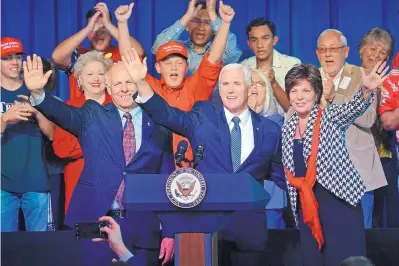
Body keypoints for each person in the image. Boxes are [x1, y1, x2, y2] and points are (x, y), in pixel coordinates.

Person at [122, 46, 285, 266]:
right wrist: (142, 83)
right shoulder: (204, 116)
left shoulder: (270, 130)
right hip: (205, 231)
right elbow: (166, 115)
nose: (230, 90)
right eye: (225, 84)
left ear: (249, 88)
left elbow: (281, 177)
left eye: (236, 84)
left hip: (248, 233)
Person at [24, 52, 175, 266]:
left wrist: (169, 231)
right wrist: (39, 94)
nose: (123, 88)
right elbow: (63, 113)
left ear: (139, 84)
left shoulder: (159, 123)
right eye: (117, 83)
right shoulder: (92, 115)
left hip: (143, 227)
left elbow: (166, 180)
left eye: (129, 82)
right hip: (95, 222)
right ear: (109, 88)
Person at [282, 62, 389, 266]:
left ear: (316, 93)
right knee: (313, 260)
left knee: (342, 259)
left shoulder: (329, 117)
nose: (299, 96)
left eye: (306, 90)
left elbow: (352, 109)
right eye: (294, 90)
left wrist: (365, 90)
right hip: (308, 206)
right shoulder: (287, 127)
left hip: (338, 203)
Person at [117, 2, 233, 166]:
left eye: (179, 63)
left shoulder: (197, 85)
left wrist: (225, 23)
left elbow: (214, 57)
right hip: (156, 170)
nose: (173, 67)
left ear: (187, 67)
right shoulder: (150, 87)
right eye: (167, 62)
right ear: (157, 67)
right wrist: (122, 24)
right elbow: (128, 60)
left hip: (194, 169)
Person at [316, 29, 387, 228]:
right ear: (317, 54)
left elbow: (369, 118)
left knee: (359, 237)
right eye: (323, 50)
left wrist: (333, 98)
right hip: (322, 174)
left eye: (333, 49)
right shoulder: (309, 78)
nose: (328, 54)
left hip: (358, 171)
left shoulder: (362, 76)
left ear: (346, 51)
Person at [1, 37, 55, 232]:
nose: (14, 62)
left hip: (36, 181)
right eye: (7, 58)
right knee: (4, 248)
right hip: (3, 184)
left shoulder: (35, 90)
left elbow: (52, 135)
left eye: (17, 56)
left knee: (40, 247)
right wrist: (4, 118)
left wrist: (37, 112)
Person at [52, 51, 113, 214]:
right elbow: (62, 149)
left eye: (101, 73)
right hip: (79, 182)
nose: (96, 78)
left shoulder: (119, 105)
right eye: (90, 74)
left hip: (114, 185)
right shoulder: (69, 108)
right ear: (79, 79)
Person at [52, 2, 144, 100]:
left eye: (103, 28)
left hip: (116, 113)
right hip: (81, 112)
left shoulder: (122, 52)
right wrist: (89, 28)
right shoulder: (79, 55)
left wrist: (108, 24)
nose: (99, 33)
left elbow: (139, 52)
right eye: (94, 29)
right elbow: (57, 57)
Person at [358, 27, 398, 228]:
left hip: (384, 152)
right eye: (372, 49)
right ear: (361, 51)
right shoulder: (349, 77)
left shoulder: (392, 83)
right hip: (356, 156)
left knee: (384, 213)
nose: (375, 56)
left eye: (382, 53)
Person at [151, 0, 241, 75]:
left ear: (213, 28)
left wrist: (212, 13)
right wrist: (187, 17)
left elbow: (232, 52)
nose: (201, 27)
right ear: (186, 25)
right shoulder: (177, 48)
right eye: (195, 21)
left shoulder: (222, 51)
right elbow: (158, 48)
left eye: (207, 22)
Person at [248, 68, 286, 229]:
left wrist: (248, 113)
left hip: (271, 200)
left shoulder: (277, 121)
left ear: (268, 90)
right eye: (250, 83)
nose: (255, 88)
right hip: (241, 197)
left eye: (260, 84)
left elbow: (262, 151)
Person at [241, 18, 300, 114]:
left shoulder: (292, 65)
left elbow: (296, 110)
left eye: (265, 38)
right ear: (249, 43)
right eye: (254, 40)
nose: (259, 45)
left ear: (274, 40)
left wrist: (273, 83)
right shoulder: (243, 67)